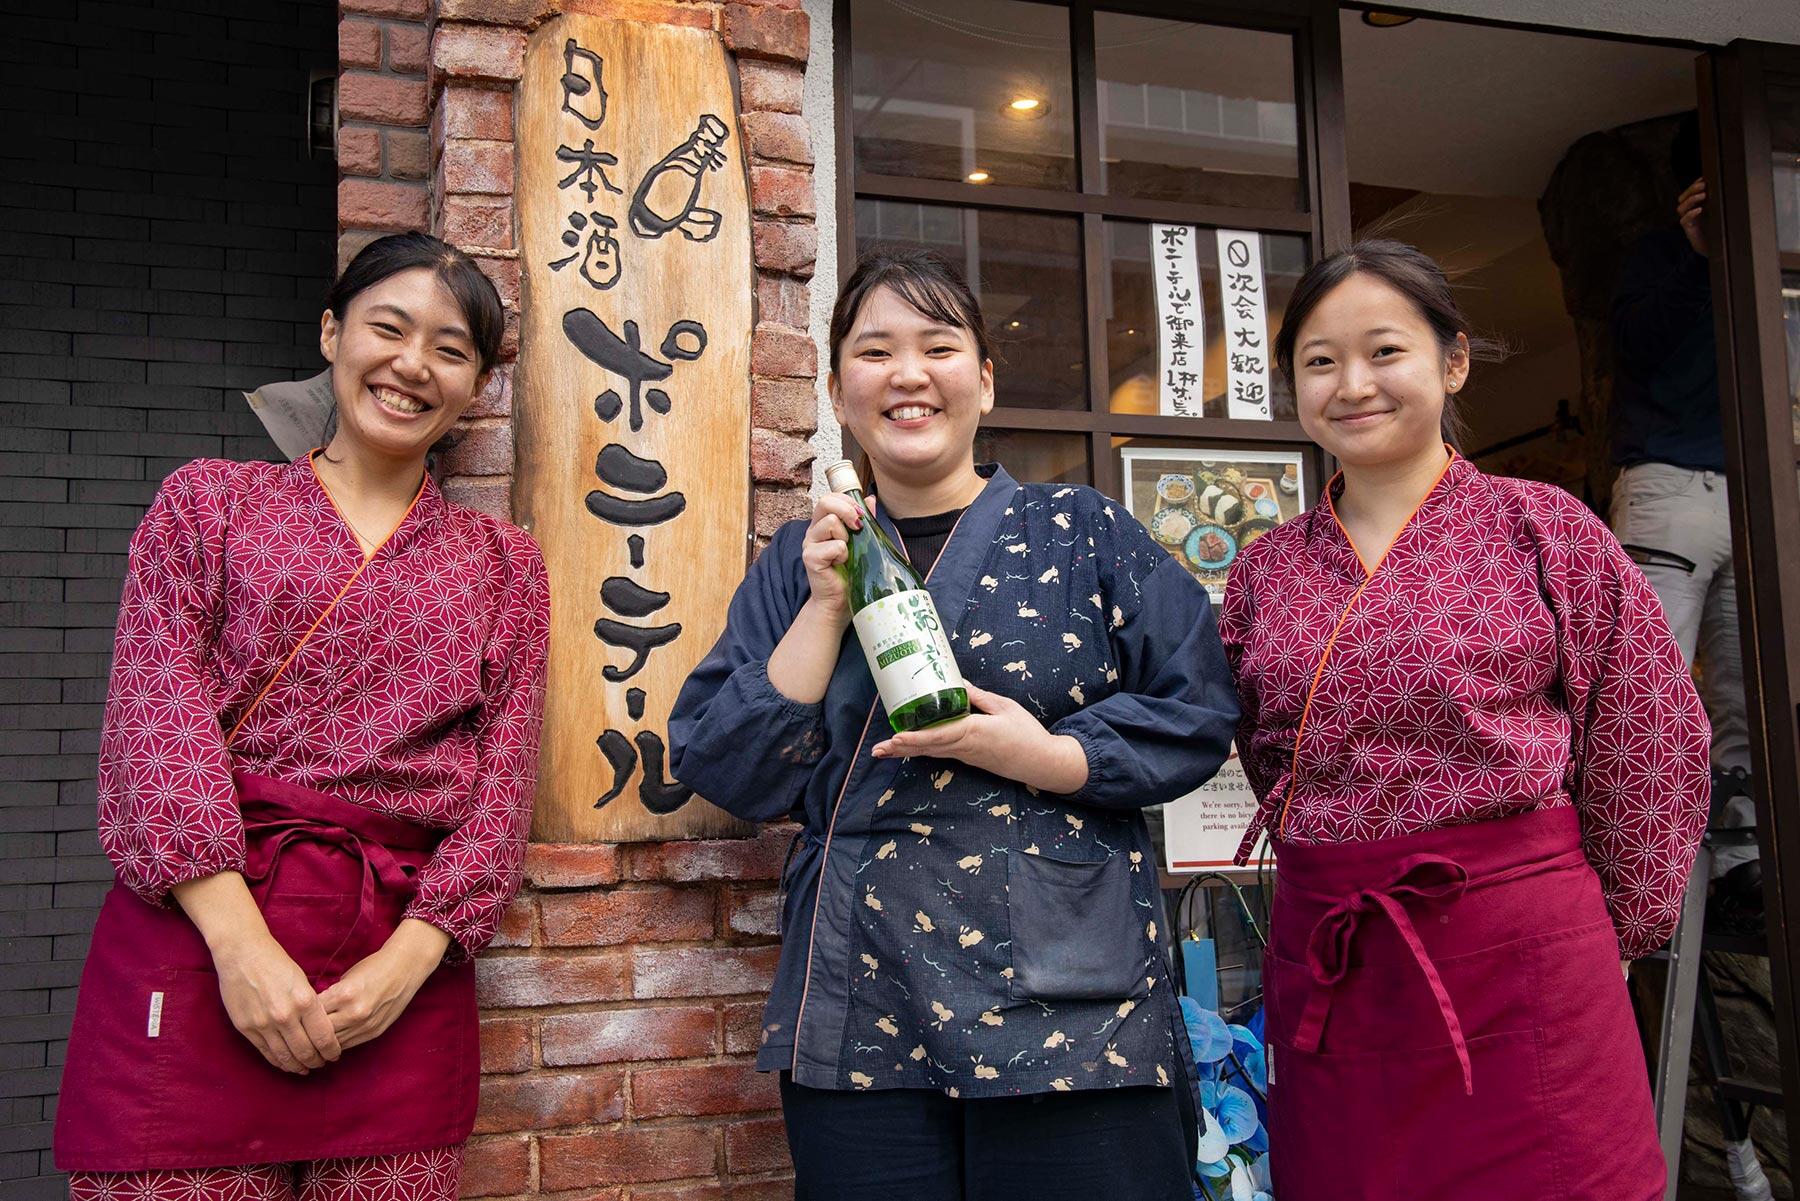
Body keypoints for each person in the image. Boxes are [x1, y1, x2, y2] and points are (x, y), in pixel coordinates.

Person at [670, 247, 1239, 1201]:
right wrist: (822, 604)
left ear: (982, 378)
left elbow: (1199, 706)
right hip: (863, 994)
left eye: (937, 347)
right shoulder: (798, 561)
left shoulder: (1085, 531)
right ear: (838, 387)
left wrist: (1050, 755)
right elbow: (723, 763)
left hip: (1074, 1002)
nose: (907, 375)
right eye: (874, 350)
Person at [55, 232, 551, 1201]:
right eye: (389, 327)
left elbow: (502, 793)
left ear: (479, 386)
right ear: (332, 331)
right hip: (204, 935)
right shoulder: (207, 505)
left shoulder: (506, 565)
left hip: (397, 966)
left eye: (451, 349)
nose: (413, 364)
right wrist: (240, 949)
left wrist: (412, 959)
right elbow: (159, 726)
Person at [1220, 239, 1709, 1200]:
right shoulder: (1263, 571)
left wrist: (1609, 933)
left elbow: (1648, 735)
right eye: (1320, 362)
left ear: (1453, 361)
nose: (1352, 384)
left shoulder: (1547, 528)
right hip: (1336, 960)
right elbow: (1265, 751)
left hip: (1527, 960)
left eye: (1384, 351)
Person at [1609, 112, 1758, 924]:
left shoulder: (1770, 265)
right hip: (1668, 482)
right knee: (1652, 686)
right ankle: (1648, 865)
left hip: (1756, 489)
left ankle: (1744, 865)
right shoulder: (1659, 257)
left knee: (1748, 693)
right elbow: (1636, 346)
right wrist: (1696, 255)